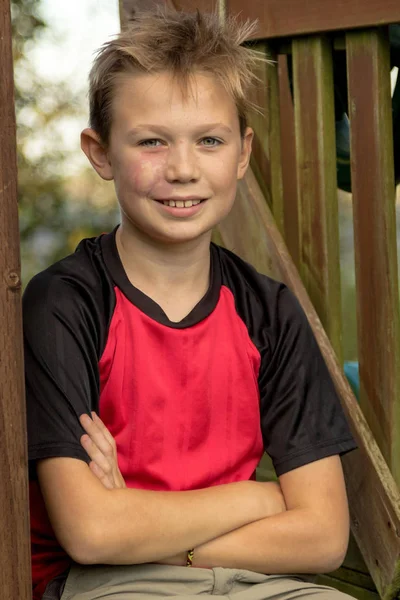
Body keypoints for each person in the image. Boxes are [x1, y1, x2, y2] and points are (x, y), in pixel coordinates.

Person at [23, 8, 357, 600]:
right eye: (151, 141)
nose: (182, 169)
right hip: (107, 584)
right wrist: (260, 498)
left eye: (208, 140)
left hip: (254, 579)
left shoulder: (270, 312)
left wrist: (145, 520)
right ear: (100, 154)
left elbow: (324, 536)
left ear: (241, 153)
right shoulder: (66, 304)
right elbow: (93, 533)